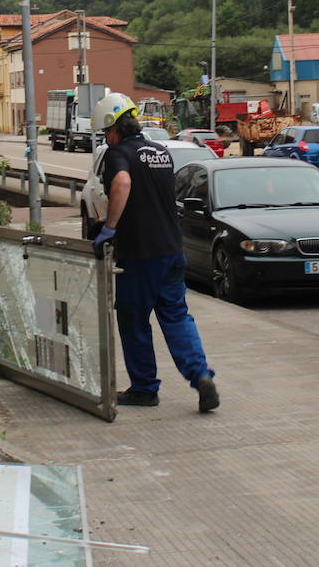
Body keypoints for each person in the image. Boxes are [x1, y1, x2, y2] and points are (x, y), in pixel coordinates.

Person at [90, 91, 219, 413]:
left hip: (140, 254)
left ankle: (145, 388)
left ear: (114, 128)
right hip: (173, 250)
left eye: (106, 132)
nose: (106, 138)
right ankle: (200, 375)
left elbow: (122, 182)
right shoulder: (160, 151)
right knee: (176, 316)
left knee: (133, 320)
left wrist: (110, 227)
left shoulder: (118, 154)